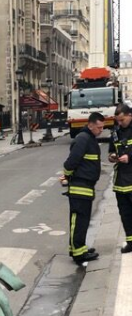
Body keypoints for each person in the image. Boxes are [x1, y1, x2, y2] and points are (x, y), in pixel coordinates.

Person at [62, 111, 105, 265]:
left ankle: (79, 248)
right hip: (80, 186)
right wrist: (67, 176)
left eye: (102, 128)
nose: (101, 131)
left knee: (82, 221)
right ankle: (78, 254)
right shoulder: (83, 139)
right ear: (90, 124)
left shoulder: (89, 138)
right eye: (99, 128)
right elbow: (71, 162)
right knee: (78, 221)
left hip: (86, 186)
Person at [108, 103, 132, 253]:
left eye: (122, 120)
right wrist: (112, 156)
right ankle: (130, 240)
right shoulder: (116, 132)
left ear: (130, 115)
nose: (120, 123)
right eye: (118, 120)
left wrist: (129, 157)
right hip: (120, 181)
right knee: (125, 213)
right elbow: (111, 149)